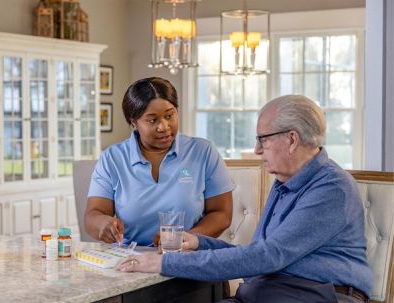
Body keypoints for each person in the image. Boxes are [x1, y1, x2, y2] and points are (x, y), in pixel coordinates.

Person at [116, 95, 373, 303]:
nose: (257, 150)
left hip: (316, 295)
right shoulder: (284, 182)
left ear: (292, 139)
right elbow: (258, 254)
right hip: (269, 292)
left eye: (263, 139)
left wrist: (165, 262)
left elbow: (267, 257)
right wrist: (199, 243)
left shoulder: (331, 188)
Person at [85, 77, 235, 247]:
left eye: (169, 115)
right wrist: (102, 223)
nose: (164, 126)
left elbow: (222, 214)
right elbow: (93, 215)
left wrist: (183, 239)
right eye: (152, 120)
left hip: (188, 259)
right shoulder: (112, 159)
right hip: (130, 263)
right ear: (134, 122)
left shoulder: (203, 152)